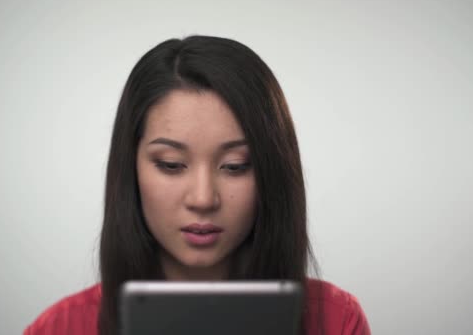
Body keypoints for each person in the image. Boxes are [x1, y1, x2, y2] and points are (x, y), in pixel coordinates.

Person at [24, 35, 371, 335]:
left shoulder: (336, 320)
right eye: (171, 165)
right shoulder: (59, 328)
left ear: (271, 173)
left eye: (235, 166)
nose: (203, 199)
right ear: (130, 169)